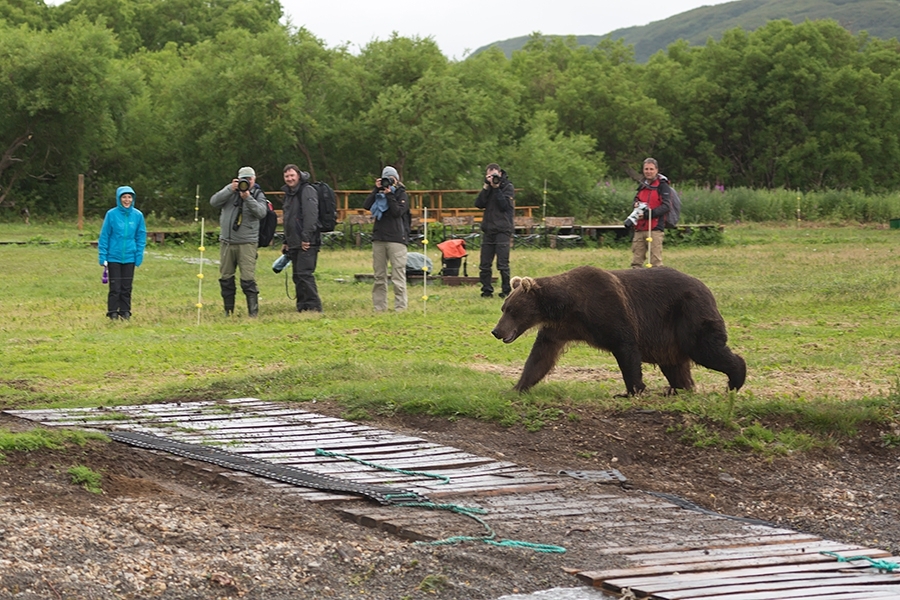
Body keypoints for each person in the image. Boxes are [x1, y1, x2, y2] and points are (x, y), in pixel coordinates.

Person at [210, 166, 268, 316]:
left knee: (247, 279)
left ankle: (253, 313)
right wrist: (230, 188)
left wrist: (247, 198)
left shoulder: (257, 194)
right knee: (226, 278)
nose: (247, 182)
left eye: (249, 179)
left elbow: (262, 212)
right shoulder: (230, 192)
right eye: (244, 179)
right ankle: (228, 311)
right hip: (227, 242)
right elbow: (213, 202)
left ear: (254, 180)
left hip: (247, 243)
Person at [363, 166, 409, 312]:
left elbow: (397, 212)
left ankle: (400, 307)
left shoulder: (402, 194)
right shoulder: (378, 194)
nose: (387, 182)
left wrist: (390, 195)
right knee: (379, 276)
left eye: (391, 179)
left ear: (396, 180)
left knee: (398, 275)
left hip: (396, 238)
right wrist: (376, 190)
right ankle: (379, 308)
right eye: (385, 179)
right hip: (379, 237)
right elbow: (366, 206)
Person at [98, 186, 147, 320]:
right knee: (115, 287)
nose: (127, 200)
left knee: (127, 287)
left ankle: (125, 311)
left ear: (133, 199)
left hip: (130, 256)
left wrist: (138, 255)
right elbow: (105, 235)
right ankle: (112, 312)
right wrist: (103, 256)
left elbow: (141, 236)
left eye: (129, 197)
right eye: (124, 197)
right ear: (119, 199)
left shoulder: (138, 215)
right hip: (114, 256)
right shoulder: (111, 214)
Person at [280, 164, 323, 312]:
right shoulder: (289, 194)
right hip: (293, 241)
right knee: (297, 276)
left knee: (305, 274)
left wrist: (306, 238)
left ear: (298, 175)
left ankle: (315, 307)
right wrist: (286, 241)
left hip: (308, 241)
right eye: (287, 176)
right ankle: (302, 307)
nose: (290, 179)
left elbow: (311, 216)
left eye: (292, 175)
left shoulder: (307, 190)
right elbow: (288, 219)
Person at [474, 163, 514, 298]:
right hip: (488, 229)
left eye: (494, 175)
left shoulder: (507, 187)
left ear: (500, 174)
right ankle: (486, 290)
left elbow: (504, 206)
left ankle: (506, 290)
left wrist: (496, 188)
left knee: (502, 264)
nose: (492, 179)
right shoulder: (488, 189)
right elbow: (479, 204)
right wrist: (486, 187)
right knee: (485, 264)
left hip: (503, 229)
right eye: (489, 176)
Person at [628, 157, 672, 269]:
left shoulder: (663, 186)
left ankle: (658, 285)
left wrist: (648, 213)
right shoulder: (642, 185)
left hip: (655, 228)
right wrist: (636, 204)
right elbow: (636, 199)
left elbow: (666, 206)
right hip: (640, 227)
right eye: (646, 169)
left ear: (656, 170)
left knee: (655, 262)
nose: (648, 171)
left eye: (651, 169)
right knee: (636, 262)